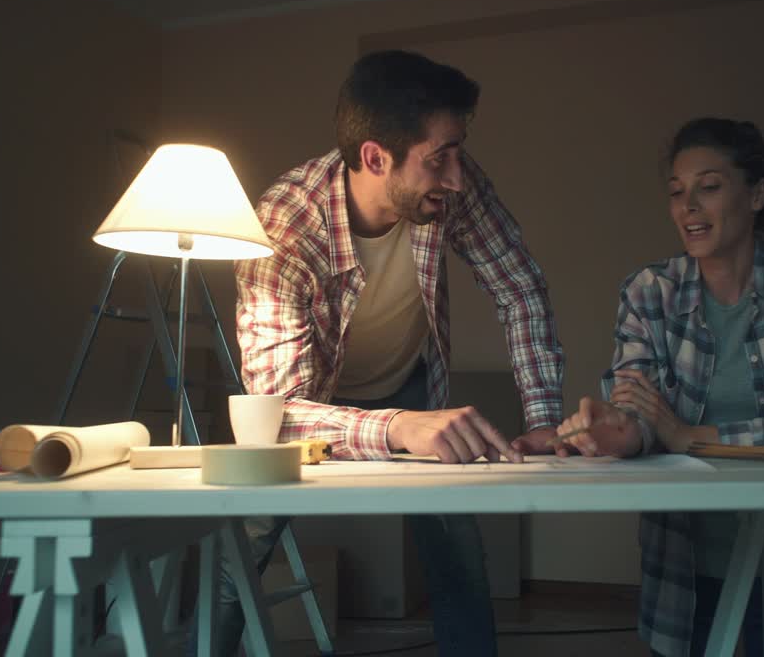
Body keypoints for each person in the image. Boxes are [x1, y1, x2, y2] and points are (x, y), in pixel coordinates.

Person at [202, 50, 566, 656]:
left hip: (409, 383)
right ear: (375, 157)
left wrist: (545, 418)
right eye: (439, 158)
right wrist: (399, 428)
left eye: (458, 153)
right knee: (248, 536)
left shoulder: (451, 184)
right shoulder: (284, 225)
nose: (457, 176)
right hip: (312, 401)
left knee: (455, 543)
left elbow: (519, 287)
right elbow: (279, 412)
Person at [555, 117, 764, 656]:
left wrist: (692, 437)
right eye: (677, 193)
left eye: (709, 187)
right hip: (684, 562)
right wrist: (618, 430)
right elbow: (640, 412)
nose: (688, 207)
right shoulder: (649, 291)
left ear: (757, 194)